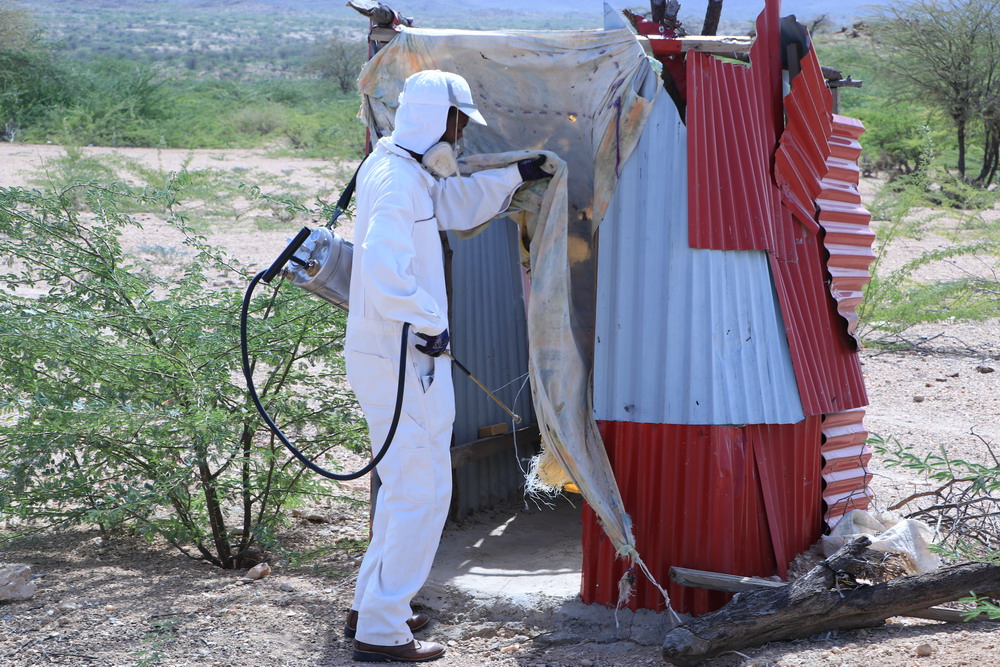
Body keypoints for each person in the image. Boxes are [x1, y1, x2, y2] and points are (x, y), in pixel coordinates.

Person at [343, 69, 551, 663]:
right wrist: (431, 320)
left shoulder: (404, 170)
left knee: (410, 485)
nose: (460, 138)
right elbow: (385, 273)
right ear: (438, 119)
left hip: (400, 351)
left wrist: (515, 176)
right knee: (423, 489)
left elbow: (451, 205)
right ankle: (382, 633)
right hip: (401, 353)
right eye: (458, 125)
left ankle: (374, 606)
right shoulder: (394, 180)